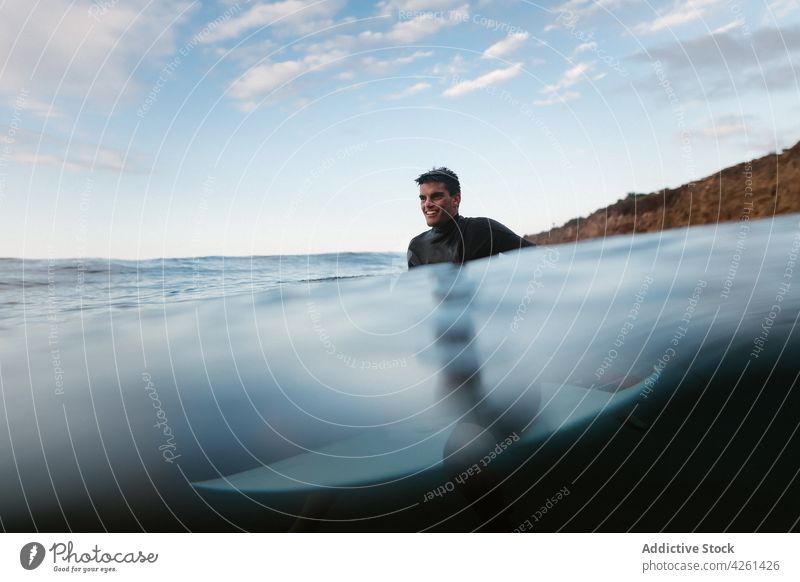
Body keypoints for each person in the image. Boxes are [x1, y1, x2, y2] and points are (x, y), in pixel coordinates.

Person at [407, 167, 534, 268]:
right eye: (423, 198)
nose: (427, 204)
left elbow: (538, 257)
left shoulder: (483, 230)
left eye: (436, 197)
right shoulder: (417, 247)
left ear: (456, 199)